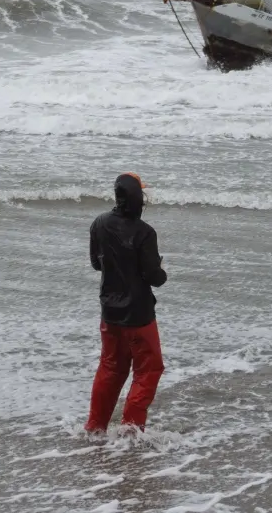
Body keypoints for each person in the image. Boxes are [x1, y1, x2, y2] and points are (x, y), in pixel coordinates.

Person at [85, 171, 167, 432]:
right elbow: (154, 278)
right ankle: (131, 431)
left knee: (110, 368)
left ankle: (95, 427)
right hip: (139, 314)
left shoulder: (99, 224)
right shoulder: (145, 233)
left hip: (109, 312)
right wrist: (162, 271)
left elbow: (96, 264)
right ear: (136, 199)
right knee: (148, 370)